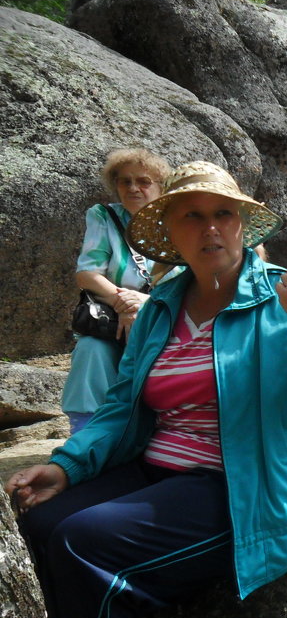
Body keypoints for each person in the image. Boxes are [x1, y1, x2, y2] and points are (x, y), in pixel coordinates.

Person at [6, 162, 287, 618]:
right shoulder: (159, 307)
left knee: (82, 542)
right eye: (191, 216)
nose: (210, 228)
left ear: (242, 225)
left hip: (247, 482)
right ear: (169, 233)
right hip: (161, 466)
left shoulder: (285, 292)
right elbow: (121, 408)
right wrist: (67, 464)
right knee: (41, 521)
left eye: (223, 213)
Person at [61, 149, 178, 435]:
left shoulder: (181, 221)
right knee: (91, 349)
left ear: (161, 186)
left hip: (169, 316)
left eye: (143, 181)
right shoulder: (104, 216)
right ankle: (85, 434)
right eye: (124, 181)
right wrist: (124, 302)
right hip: (113, 318)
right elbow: (87, 274)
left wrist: (146, 305)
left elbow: (194, 280)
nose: (133, 188)